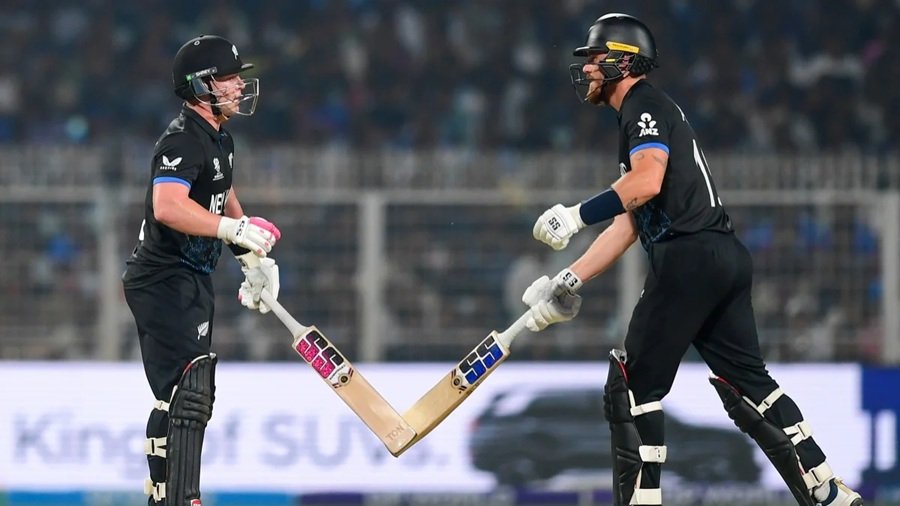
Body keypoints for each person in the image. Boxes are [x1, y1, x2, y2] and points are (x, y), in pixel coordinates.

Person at [520, 13, 863, 506]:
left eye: (595, 58)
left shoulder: (643, 105)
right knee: (750, 387)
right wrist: (567, 280)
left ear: (623, 62)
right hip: (722, 257)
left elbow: (646, 182)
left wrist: (576, 215)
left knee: (632, 389)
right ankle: (827, 491)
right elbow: (629, 224)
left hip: (687, 258)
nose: (588, 68)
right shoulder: (647, 111)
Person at [122, 35, 281, 506]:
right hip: (162, 278)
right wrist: (232, 229)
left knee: (188, 391)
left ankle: (168, 495)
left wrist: (250, 258)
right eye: (228, 79)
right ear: (199, 86)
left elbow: (221, 193)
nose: (239, 86)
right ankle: (179, 497)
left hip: (190, 276)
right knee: (188, 391)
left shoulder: (219, 139)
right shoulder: (182, 140)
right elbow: (168, 206)